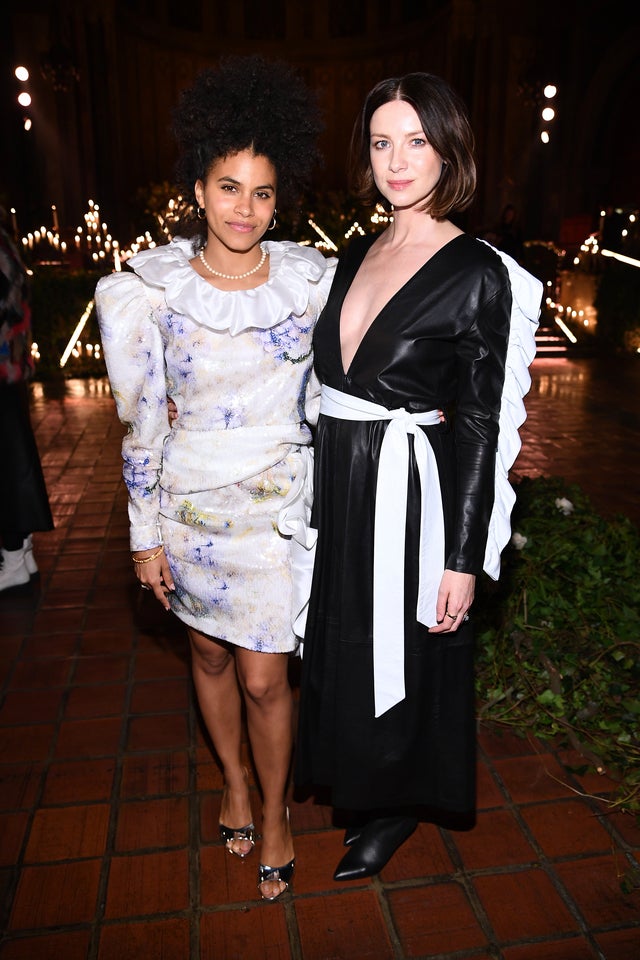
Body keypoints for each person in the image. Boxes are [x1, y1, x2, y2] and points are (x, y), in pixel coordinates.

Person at [94, 55, 336, 901]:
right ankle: (231, 778)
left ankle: (274, 810)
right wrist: (142, 538)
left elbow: (346, 383)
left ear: (280, 198)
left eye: (263, 193)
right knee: (204, 653)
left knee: (266, 674)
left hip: (276, 511)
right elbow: (143, 423)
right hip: (189, 508)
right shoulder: (149, 294)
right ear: (198, 188)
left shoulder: (310, 283)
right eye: (229, 187)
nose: (246, 209)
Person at [294, 72, 543, 881]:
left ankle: (397, 800)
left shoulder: (478, 271)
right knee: (346, 640)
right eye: (380, 142)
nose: (397, 161)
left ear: (448, 149)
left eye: (415, 141)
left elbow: (480, 421)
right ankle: (360, 780)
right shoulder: (358, 250)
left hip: (412, 493)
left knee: (405, 646)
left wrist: (464, 556)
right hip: (344, 480)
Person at [0, 212, 54, 591]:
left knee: (8, 463)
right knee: (11, 458)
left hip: (2, 366)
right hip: (7, 366)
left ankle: (15, 556)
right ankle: (22, 554)